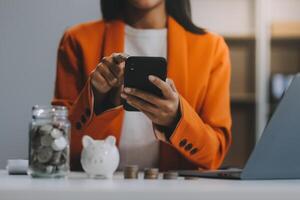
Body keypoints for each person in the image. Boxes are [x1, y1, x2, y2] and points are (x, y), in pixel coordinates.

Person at [52, 0, 232, 171]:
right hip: (95, 188)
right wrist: (97, 100)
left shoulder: (211, 48)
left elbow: (213, 156)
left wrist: (176, 119)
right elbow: (58, 146)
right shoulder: (77, 40)